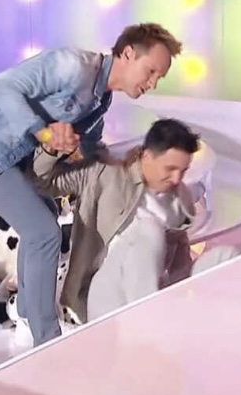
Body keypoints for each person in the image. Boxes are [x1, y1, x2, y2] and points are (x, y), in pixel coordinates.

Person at [0, 23, 183, 346]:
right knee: (43, 232)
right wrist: (43, 133)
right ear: (128, 53)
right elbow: (2, 88)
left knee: (44, 218)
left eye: (159, 78)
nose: (152, 83)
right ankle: (48, 341)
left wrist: (123, 162)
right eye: (150, 71)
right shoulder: (74, 66)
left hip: (0, 153)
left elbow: (89, 148)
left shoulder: (100, 100)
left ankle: (27, 314)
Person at [32, 119, 226, 322]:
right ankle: (147, 321)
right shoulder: (107, 173)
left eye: (183, 171)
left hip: (151, 289)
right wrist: (50, 149)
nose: (177, 178)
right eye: (170, 169)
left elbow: (179, 256)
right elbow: (42, 181)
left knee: (223, 257)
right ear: (147, 156)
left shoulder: (179, 199)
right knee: (149, 231)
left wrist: (185, 290)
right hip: (104, 290)